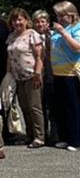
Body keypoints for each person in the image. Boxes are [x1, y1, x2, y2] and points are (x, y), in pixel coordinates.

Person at [6, 8, 45, 148]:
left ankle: (40, 136)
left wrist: (38, 73)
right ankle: (30, 135)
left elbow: (40, 56)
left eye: (20, 19)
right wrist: (8, 75)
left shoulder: (32, 34)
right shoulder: (11, 36)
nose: (17, 22)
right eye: (14, 20)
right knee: (24, 107)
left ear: (26, 20)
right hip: (18, 77)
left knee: (35, 107)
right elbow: (9, 57)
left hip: (31, 75)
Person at [50, 1, 80, 151]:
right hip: (57, 72)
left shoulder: (76, 28)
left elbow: (77, 48)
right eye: (58, 15)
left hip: (71, 72)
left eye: (63, 15)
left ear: (71, 15)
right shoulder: (58, 30)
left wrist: (63, 33)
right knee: (61, 107)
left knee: (73, 107)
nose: (60, 18)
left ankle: (75, 140)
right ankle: (65, 137)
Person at [33, 10, 58, 145]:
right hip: (37, 75)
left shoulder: (54, 35)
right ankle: (43, 134)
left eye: (43, 21)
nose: (40, 24)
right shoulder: (32, 36)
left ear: (48, 23)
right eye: (37, 22)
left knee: (53, 106)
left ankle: (55, 135)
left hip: (53, 73)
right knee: (40, 106)